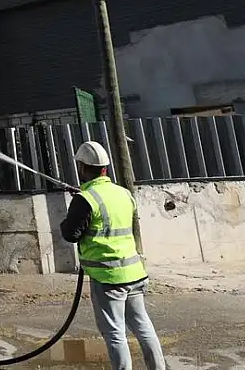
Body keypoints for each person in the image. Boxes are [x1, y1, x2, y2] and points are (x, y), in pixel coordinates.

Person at [60, 140, 167, 370]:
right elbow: (107, 216)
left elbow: (71, 233)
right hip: (134, 273)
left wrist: (76, 206)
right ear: (105, 168)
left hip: (108, 277)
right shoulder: (123, 194)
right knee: (143, 326)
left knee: (115, 333)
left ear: (81, 168)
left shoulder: (86, 199)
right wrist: (82, 198)